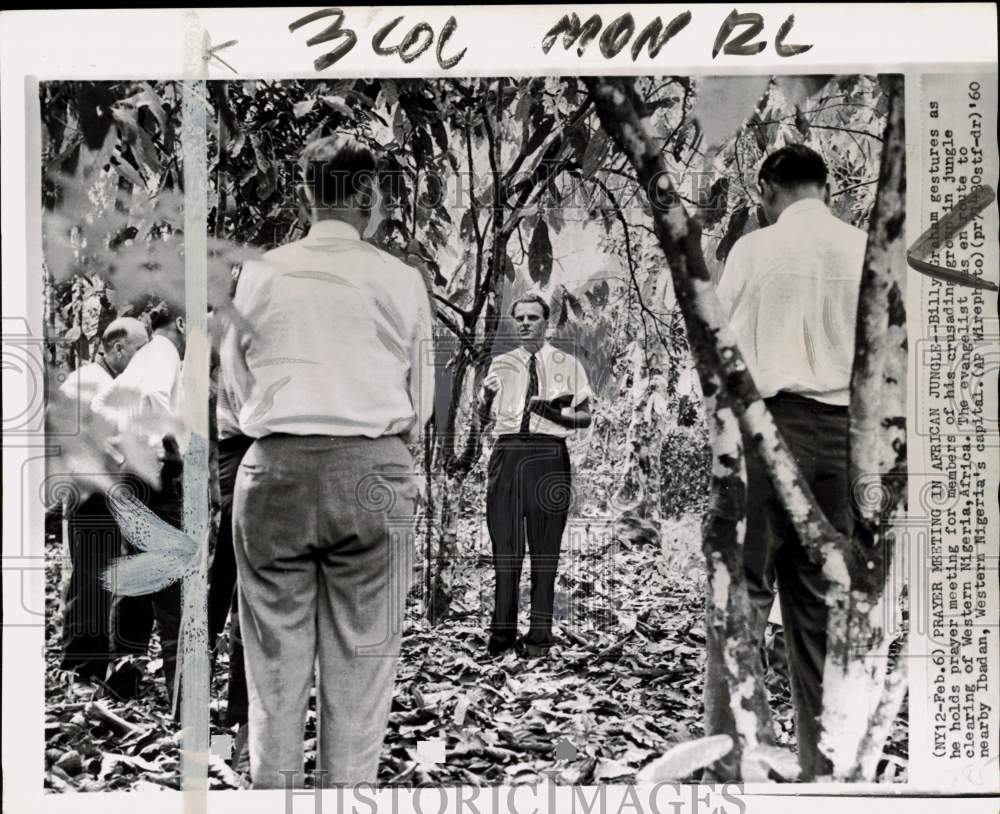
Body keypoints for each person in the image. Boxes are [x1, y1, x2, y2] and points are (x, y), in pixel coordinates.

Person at [229, 134, 434, 788]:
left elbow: (233, 382)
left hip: (274, 476)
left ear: (306, 192)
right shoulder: (398, 279)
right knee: (360, 674)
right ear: (369, 195)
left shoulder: (261, 272)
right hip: (374, 474)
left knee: (274, 673)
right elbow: (421, 397)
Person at [705, 144, 867, 780]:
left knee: (742, 593)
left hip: (765, 430)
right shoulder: (861, 248)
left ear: (767, 190)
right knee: (819, 605)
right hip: (840, 439)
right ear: (826, 188)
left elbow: (719, 352)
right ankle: (820, 774)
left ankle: (728, 765)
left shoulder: (754, 248)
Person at [478, 294, 592, 659]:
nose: (526, 323)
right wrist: (484, 400)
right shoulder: (500, 364)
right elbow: (482, 421)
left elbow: (585, 418)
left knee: (545, 551)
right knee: (506, 551)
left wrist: (552, 413)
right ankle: (501, 640)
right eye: (520, 318)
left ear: (547, 323)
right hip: (507, 455)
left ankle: (539, 641)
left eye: (533, 317)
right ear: (514, 323)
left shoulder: (568, 363)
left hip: (549, 456)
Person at [92, 302, 186, 705]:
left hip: (130, 477)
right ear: (183, 323)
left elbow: (101, 406)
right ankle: (181, 694)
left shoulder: (144, 356)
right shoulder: (165, 349)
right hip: (152, 475)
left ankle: (121, 680)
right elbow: (154, 396)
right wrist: (164, 444)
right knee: (169, 582)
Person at [58, 317, 149, 682]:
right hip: (89, 491)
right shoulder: (85, 381)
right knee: (89, 576)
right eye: (139, 350)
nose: (143, 358)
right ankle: (80, 665)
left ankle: (89, 662)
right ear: (117, 348)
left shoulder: (112, 383)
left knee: (99, 575)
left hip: (107, 491)